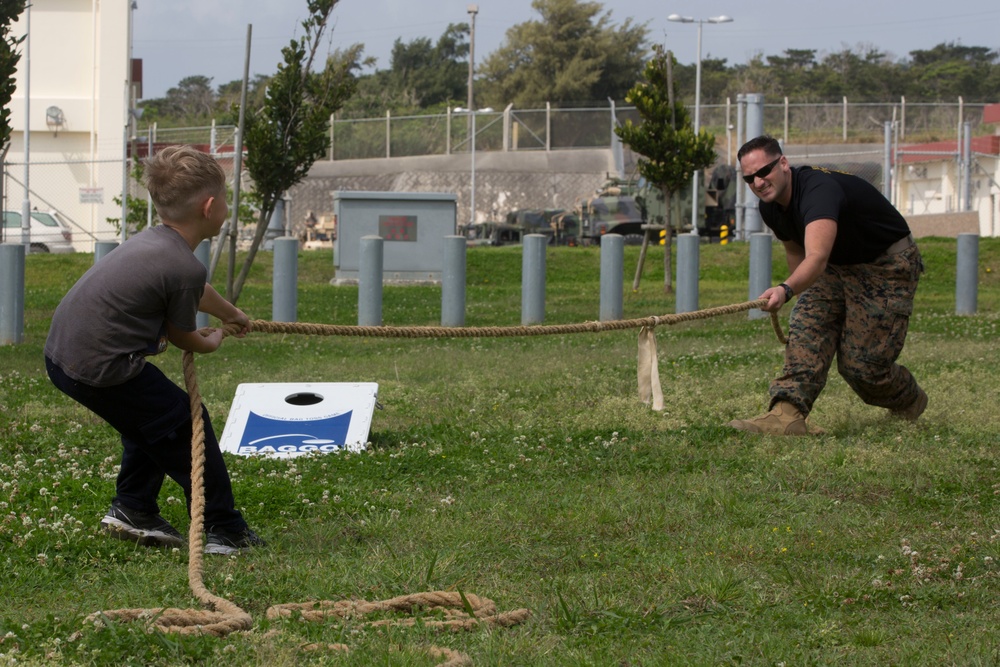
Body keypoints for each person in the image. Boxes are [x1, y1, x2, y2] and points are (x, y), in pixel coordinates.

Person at [44, 145, 266, 554]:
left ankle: (134, 506)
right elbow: (184, 335)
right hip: (101, 367)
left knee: (153, 420)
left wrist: (231, 312)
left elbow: (194, 290)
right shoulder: (183, 265)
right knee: (187, 423)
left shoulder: (156, 243)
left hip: (66, 356)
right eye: (226, 202)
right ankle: (223, 527)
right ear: (210, 207)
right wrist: (211, 341)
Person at [729, 135, 927, 435]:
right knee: (808, 326)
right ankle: (787, 414)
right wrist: (804, 303)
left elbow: (817, 257)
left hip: (885, 265)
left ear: (783, 163)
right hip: (836, 266)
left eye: (764, 171)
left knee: (861, 368)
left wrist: (785, 289)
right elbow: (798, 254)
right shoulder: (770, 206)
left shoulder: (817, 191)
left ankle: (909, 400)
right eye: (749, 178)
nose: (758, 182)